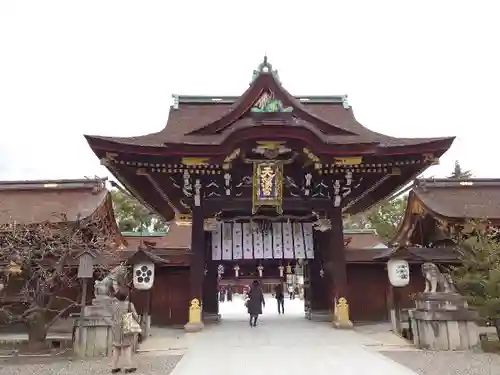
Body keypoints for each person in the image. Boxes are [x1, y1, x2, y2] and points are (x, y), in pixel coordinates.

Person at [111, 287, 139, 373]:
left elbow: (112, 316)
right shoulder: (129, 305)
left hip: (116, 328)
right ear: (126, 296)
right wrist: (137, 320)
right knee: (127, 347)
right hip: (126, 327)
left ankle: (114, 367)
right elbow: (135, 316)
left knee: (116, 347)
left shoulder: (114, 304)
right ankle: (128, 367)